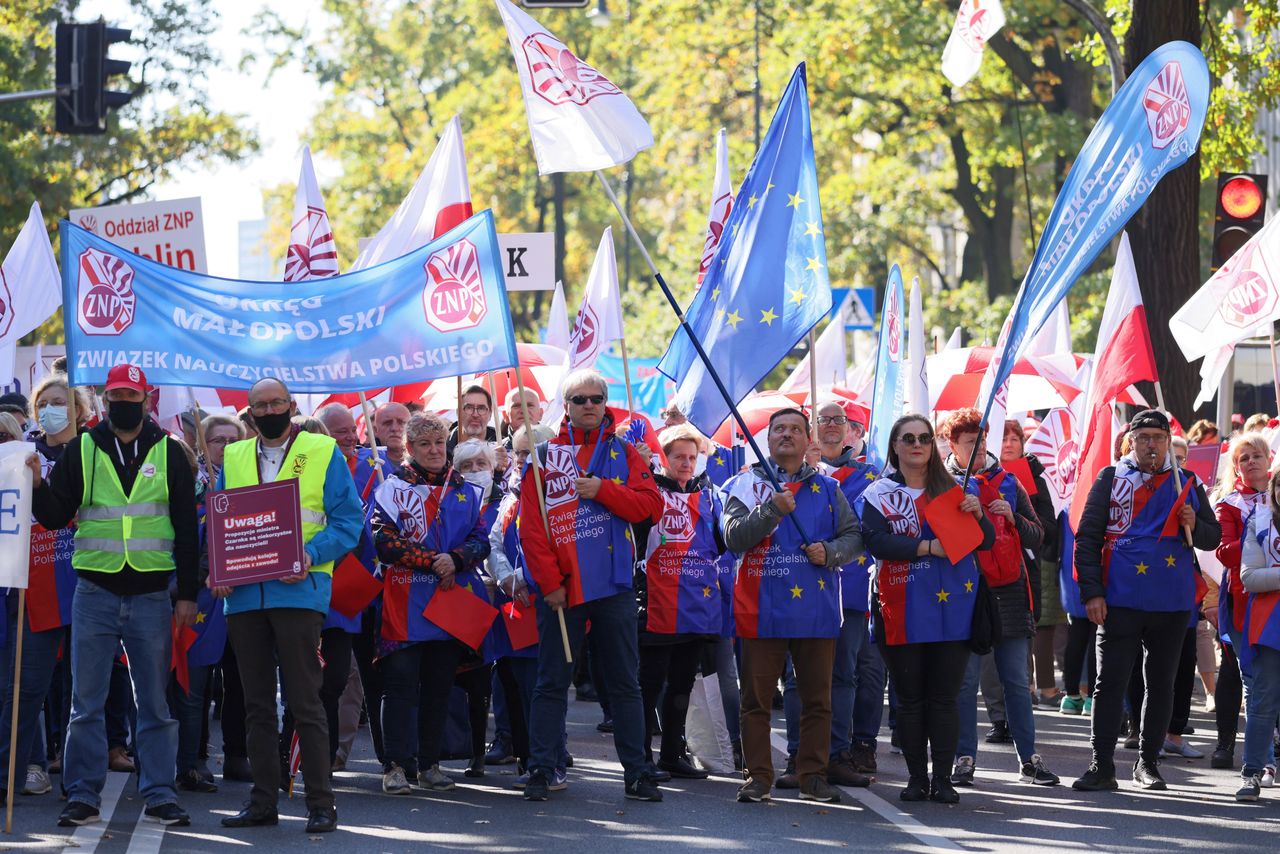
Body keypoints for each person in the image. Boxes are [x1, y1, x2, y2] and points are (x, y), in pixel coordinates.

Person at [30, 364, 198, 828]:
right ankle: (82, 794)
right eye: (116, 394)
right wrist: (38, 485)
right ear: (105, 401)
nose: (123, 401)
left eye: (132, 394)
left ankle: (160, 792)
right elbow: (54, 514)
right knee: (85, 701)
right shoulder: (83, 448)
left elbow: (188, 530)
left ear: (146, 400)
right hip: (96, 590)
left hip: (151, 593)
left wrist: (187, 594)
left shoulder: (170, 452)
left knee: (155, 703)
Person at [215, 378, 362, 834]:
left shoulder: (321, 451)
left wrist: (311, 555)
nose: (269, 410)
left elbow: (348, 521)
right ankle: (262, 801)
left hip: (298, 591)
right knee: (255, 705)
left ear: (292, 406)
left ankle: (321, 803)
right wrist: (217, 570)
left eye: (277, 402)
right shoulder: (235, 456)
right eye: (260, 405)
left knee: (305, 702)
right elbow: (222, 519)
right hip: (243, 597)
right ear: (250, 412)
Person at [518, 369, 664, 802]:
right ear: (566, 406)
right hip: (562, 589)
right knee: (550, 682)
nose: (587, 405)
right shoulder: (544, 457)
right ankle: (544, 767)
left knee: (624, 683)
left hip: (615, 586)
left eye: (595, 399)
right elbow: (532, 529)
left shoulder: (623, 453)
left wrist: (603, 490)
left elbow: (651, 508)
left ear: (605, 404)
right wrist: (549, 583)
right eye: (578, 399)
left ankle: (637, 772)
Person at [1071, 409, 1221, 793]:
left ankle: (1148, 763)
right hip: (1118, 599)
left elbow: (1211, 537)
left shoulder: (1185, 482)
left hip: (1170, 602)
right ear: (1131, 442)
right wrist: (1091, 592)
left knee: (1162, 684)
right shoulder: (1110, 479)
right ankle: (1101, 765)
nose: (1151, 444)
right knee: (1110, 682)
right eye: (1144, 438)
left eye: (1158, 437)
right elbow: (1086, 538)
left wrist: (1194, 521)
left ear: (1168, 442)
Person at [725, 407, 863, 805]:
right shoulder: (744, 485)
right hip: (760, 606)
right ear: (767, 440)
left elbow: (854, 536)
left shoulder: (828, 487)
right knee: (756, 700)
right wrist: (771, 510)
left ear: (808, 441)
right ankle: (758, 777)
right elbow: (734, 538)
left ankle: (813, 776)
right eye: (779, 429)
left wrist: (832, 552)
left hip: (815, 610)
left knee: (818, 699)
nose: (787, 435)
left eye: (795, 430)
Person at [861, 414, 994, 804]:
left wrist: (979, 513)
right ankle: (918, 778)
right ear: (896, 447)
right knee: (910, 698)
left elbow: (983, 542)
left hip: (953, 608)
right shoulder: (878, 493)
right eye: (908, 438)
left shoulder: (954, 488)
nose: (917, 444)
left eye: (923, 438)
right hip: (900, 606)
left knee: (944, 698)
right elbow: (875, 541)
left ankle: (944, 780)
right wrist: (926, 547)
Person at [370, 415, 491, 795]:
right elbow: (382, 538)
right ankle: (394, 765)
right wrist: (432, 561)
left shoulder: (466, 490)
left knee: (440, 686)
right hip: (405, 599)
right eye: (425, 444)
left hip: (449, 599)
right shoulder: (392, 488)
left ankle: (429, 764)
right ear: (410, 448)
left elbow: (481, 538)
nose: (435, 450)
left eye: (440, 443)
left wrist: (455, 560)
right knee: (401, 684)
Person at [941, 410, 1058, 788]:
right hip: (963, 594)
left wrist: (1012, 518)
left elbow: (1039, 536)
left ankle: (1029, 758)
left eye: (981, 440)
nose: (977, 449)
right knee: (964, 683)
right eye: (967, 442)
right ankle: (963, 758)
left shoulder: (1010, 481)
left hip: (1009, 592)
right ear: (951, 444)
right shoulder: (940, 484)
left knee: (1016, 681)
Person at [779, 400, 878, 787]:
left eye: (841, 420)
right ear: (810, 430)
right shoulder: (787, 475)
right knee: (796, 677)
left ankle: (838, 754)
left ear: (851, 429)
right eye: (824, 419)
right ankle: (796, 755)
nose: (833, 426)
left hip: (848, 590)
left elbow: (861, 529)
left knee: (843, 677)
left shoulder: (870, 475)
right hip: (799, 589)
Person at [0, 379, 89, 804]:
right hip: (35, 584)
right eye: (45, 404)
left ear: (79, 408)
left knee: (83, 692)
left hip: (91, 580)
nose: (54, 410)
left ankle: (81, 784)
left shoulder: (95, 450)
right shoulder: (23, 453)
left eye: (62, 403)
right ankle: (7, 776)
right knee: (26, 689)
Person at [633, 424, 726, 779]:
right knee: (649, 683)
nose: (687, 464)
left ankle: (672, 752)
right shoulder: (649, 491)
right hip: (656, 601)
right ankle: (641, 756)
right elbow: (638, 531)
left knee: (683, 683)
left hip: (697, 603)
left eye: (692, 457)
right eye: (679, 457)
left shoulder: (709, 495)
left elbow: (719, 542)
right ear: (664, 459)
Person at [487, 423, 557, 784]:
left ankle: (550, 758)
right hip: (514, 604)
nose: (527, 459)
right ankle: (528, 757)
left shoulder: (558, 497)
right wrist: (508, 578)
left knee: (543, 686)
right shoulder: (510, 499)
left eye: (536, 451)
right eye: (521, 452)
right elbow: (494, 545)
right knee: (516, 684)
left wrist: (534, 580)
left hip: (548, 602)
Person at [1211, 434, 1272, 771]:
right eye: (1243, 457)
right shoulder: (1230, 503)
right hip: (1243, 601)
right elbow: (1223, 551)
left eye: (1256, 455)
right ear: (1236, 467)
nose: (1251, 461)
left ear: (1269, 459)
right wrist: (1256, 537)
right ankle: (1255, 757)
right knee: (1248, 678)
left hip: (1275, 599)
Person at [1234, 468, 1280, 800]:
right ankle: (1252, 772)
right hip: (1271, 623)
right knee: (1263, 701)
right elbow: (1249, 576)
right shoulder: (1259, 520)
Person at [373, 402, 411, 467]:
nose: (394, 428)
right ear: (376, 430)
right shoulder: (364, 463)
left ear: (411, 427)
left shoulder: (426, 462)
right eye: (387, 423)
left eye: (401, 423)